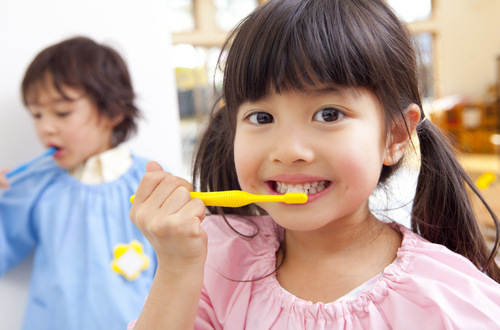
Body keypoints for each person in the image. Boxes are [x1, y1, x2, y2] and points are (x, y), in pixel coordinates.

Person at [129, 0, 500, 328]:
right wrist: (177, 267)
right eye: (261, 118)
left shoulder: (449, 300)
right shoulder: (213, 261)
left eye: (328, 113)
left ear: (395, 136)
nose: (289, 150)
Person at [0, 37, 156, 329]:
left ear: (114, 110)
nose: (45, 127)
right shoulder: (36, 186)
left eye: (62, 112)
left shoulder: (151, 185)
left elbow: (183, 273)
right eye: (36, 114)